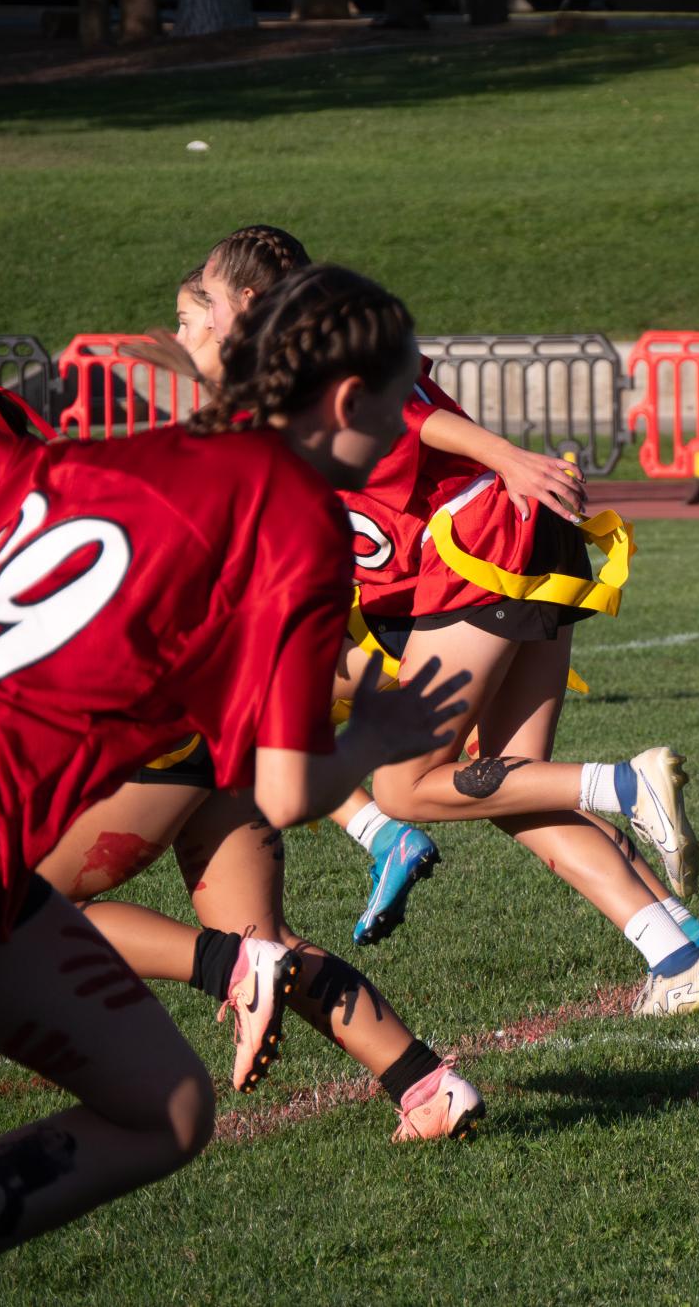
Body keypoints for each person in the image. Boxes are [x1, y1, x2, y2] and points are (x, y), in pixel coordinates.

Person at [0, 266, 470, 1274]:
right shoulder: (297, 517)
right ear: (349, 399)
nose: (411, 418)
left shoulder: (118, 453)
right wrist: (377, 732)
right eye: (406, 394)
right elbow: (283, 790)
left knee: (166, 1106)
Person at [201, 231, 699, 1012]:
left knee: (407, 786)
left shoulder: (306, 347)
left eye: (202, 305)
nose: (197, 324)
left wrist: (510, 459)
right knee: (507, 784)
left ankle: (624, 782)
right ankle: (681, 949)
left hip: (481, 537)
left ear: (248, 302)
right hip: (503, 535)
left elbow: (415, 421)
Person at [188, 229, 442, 944]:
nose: (401, 427)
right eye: (396, 407)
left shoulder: (241, 472)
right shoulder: (266, 496)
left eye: (201, 307)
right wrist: (364, 744)